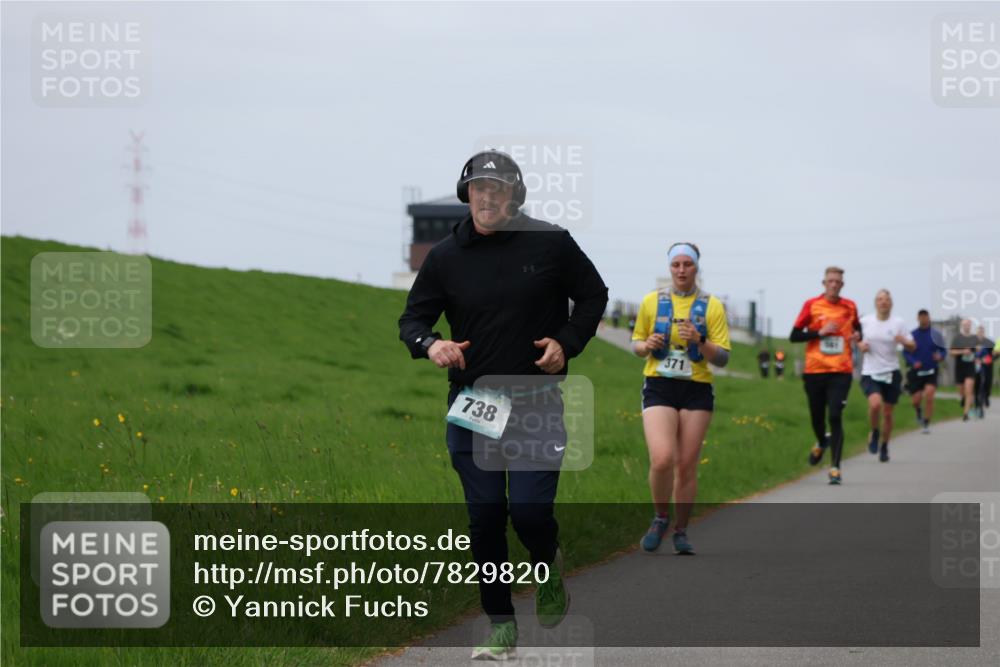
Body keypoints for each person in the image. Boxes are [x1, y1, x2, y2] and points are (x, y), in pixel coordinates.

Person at [398, 149, 608, 660]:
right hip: (474, 407)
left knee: (532, 514)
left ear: (514, 195)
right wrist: (433, 345)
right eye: (477, 188)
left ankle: (547, 561)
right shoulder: (445, 257)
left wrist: (566, 342)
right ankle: (500, 626)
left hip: (536, 403)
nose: (487, 196)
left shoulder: (551, 243)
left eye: (497, 188)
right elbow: (412, 321)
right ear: (465, 194)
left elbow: (594, 295)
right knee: (486, 515)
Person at [631, 242, 731, 555]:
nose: (682, 270)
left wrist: (700, 341)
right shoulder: (652, 301)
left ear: (697, 268)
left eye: (688, 264)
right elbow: (635, 344)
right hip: (659, 384)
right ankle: (661, 516)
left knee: (686, 465)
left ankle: (681, 531)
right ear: (670, 268)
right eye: (676, 265)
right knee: (662, 458)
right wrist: (647, 344)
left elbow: (724, 358)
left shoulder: (711, 305)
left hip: (696, 388)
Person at [789, 266, 861, 485]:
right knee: (817, 417)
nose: (834, 284)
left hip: (841, 371)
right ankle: (821, 441)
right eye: (830, 281)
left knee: (835, 414)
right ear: (824, 283)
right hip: (815, 371)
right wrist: (819, 333)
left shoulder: (850, 306)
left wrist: (858, 335)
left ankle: (835, 468)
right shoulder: (811, 305)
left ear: (842, 285)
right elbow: (794, 336)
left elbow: (858, 329)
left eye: (838, 282)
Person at [858, 290, 915, 462]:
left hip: (891, 372)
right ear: (875, 303)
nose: (883, 302)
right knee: (875, 405)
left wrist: (903, 341)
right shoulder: (865, 321)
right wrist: (860, 345)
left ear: (891, 304)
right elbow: (854, 338)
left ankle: (884, 446)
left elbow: (912, 345)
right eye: (880, 299)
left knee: (888, 414)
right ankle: (875, 432)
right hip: (870, 372)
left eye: (887, 300)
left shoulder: (898, 323)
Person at [903, 309, 948, 434]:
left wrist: (940, 356)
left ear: (929, 318)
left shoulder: (936, 335)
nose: (923, 319)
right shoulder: (912, 335)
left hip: (931, 370)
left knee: (929, 395)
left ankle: (926, 423)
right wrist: (913, 362)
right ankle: (918, 411)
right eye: (921, 316)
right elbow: (905, 352)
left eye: (925, 316)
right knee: (916, 400)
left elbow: (943, 351)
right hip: (916, 371)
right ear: (918, 318)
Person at [950, 319, 979, 422]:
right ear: (962, 326)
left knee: (969, 388)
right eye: (965, 325)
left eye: (968, 324)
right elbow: (951, 352)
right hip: (960, 367)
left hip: (970, 367)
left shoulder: (974, 338)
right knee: (961, 390)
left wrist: (977, 352)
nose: (967, 326)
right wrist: (963, 351)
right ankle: (963, 399)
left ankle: (965, 413)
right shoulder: (957, 338)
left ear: (970, 326)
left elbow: (978, 351)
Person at [974, 325, 994, 417]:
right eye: (979, 332)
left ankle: (981, 408)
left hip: (985, 369)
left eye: (982, 332)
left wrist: (984, 360)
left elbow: (991, 356)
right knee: (976, 389)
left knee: (983, 388)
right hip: (974, 370)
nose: (980, 334)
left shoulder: (988, 345)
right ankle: (977, 406)